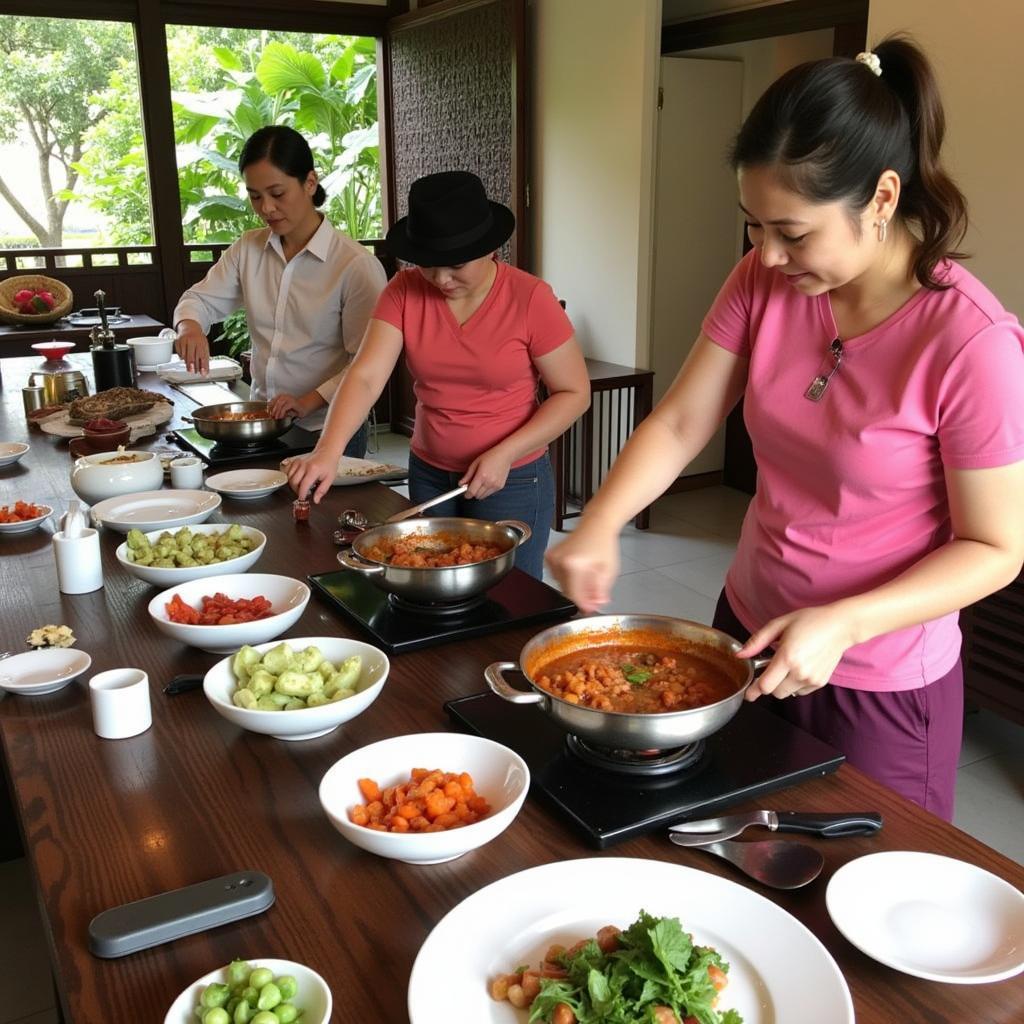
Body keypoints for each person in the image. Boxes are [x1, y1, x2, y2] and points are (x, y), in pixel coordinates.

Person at [545, 37, 1024, 821]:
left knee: (857, 890)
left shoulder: (972, 344)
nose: (766, 256)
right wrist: (600, 523)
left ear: (881, 197)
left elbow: (997, 548)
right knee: (727, 841)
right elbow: (683, 420)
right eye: (752, 226)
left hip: (879, 676)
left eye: (792, 233)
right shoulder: (764, 281)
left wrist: (844, 623)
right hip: (747, 630)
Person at [285, 170, 590, 578]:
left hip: (514, 477)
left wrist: (505, 453)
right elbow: (365, 377)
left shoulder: (530, 298)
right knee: (427, 582)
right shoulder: (403, 291)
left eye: (456, 264)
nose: (441, 279)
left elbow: (573, 392)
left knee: (511, 597)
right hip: (430, 472)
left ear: (490, 247)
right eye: (428, 265)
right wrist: (329, 451)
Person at [172, 125, 387, 451]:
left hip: (327, 427)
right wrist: (189, 326)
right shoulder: (248, 248)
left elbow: (366, 364)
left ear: (310, 183)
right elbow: (199, 299)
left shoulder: (355, 265)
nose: (266, 208)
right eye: (255, 196)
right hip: (263, 420)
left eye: (277, 193)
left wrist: (309, 401)